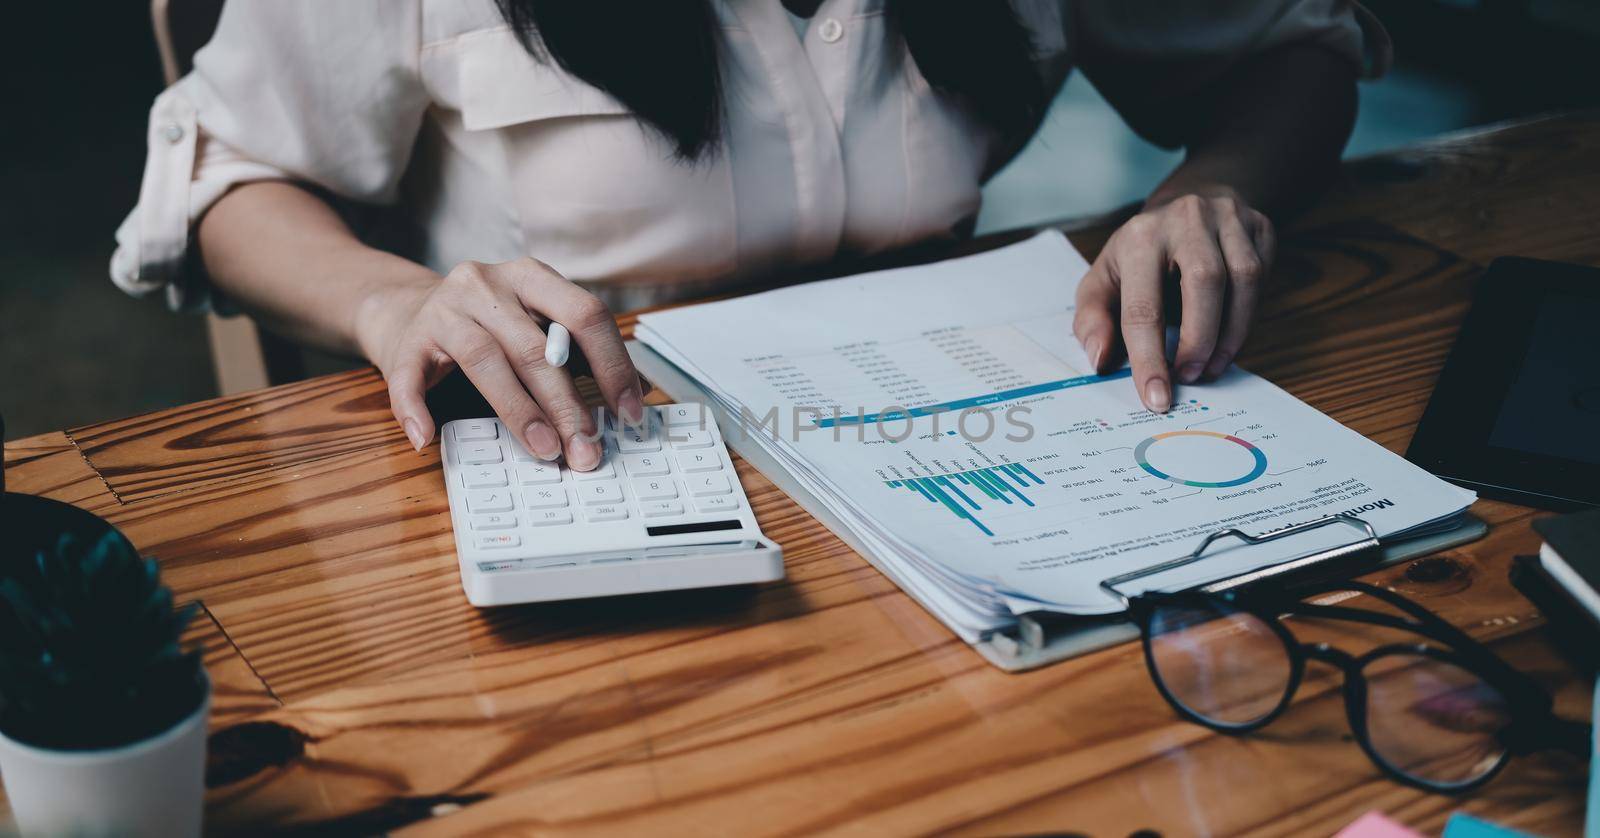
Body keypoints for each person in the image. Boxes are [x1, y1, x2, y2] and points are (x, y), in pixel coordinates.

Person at [112, 0, 1389, 471]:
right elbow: (227, 177)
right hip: (586, 456)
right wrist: (390, 303)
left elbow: (1289, 46)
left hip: (961, 436)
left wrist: (1211, 190)